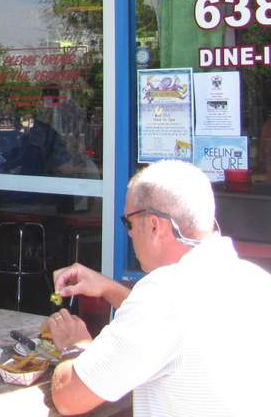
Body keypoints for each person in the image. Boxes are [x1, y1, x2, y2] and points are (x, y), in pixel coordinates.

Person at [48, 160, 271, 416]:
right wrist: (109, 289)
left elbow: (69, 398)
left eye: (128, 223)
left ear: (154, 225)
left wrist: (74, 346)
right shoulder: (256, 281)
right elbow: (178, 323)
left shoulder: (163, 295)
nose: (129, 234)